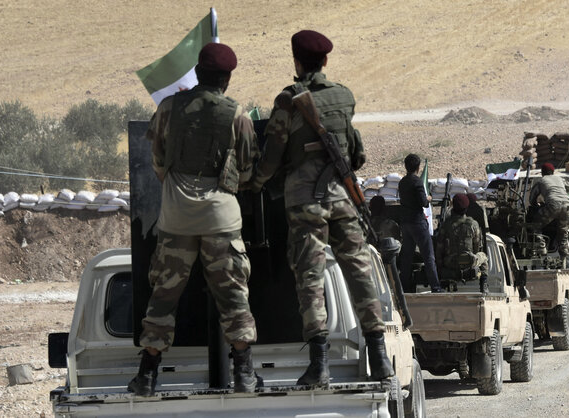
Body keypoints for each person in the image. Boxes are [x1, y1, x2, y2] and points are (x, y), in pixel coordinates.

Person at [247, 30, 393, 387]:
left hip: (305, 203)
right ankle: (381, 360)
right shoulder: (344, 97)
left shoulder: (289, 101)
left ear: (297, 62)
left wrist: (252, 183)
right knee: (360, 274)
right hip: (342, 198)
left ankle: (320, 365)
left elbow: (272, 157)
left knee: (310, 280)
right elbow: (355, 152)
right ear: (325, 61)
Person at [129, 43, 261, 396]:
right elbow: (247, 171)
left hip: (176, 218)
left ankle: (147, 375)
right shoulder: (238, 114)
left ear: (198, 73)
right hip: (221, 219)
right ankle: (245, 375)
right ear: (227, 79)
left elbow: (157, 161)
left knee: (163, 295)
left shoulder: (169, 107)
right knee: (233, 295)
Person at [397, 153, 442, 293]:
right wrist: (429, 197)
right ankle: (436, 287)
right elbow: (423, 202)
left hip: (406, 223)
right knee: (428, 256)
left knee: (407, 257)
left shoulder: (402, 182)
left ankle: (403, 287)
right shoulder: (417, 182)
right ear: (418, 167)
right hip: (417, 222)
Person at [436, 194, 489, 293]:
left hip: (450, 264)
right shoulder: (473, 225)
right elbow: (477, 248)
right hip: (469, 264)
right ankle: (484, 283)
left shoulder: (446, 225)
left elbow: (439, 250)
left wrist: (440, 270)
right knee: (483, 256)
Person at [528, 163, 569, 262]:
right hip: (567, 207)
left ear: (542, 172)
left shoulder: (541, 181)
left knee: (535, 225)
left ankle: (542, 247)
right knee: (563, 231)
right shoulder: (560, 179)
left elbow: (532, 198)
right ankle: (564, 253)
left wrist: (536, 205)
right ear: (553, 171)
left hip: (552, 206)